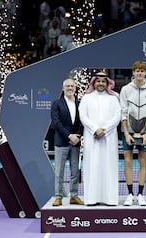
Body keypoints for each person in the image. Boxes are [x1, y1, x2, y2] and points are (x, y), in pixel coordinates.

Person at [79, 71, 121, 206]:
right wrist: (95, 129)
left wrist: (105, 130)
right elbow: (83, 116)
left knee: (109, 167)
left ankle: (110, 199)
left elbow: (117, 116)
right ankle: (91, 199)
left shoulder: (114, 98)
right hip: (92, 139)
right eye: (98, 81)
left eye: (104, 81)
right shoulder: (86, 98)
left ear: (108, 83)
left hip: (109, 139)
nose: (101, 84)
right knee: (92, 166)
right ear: (94, 83)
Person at [120, 61, 146, 206]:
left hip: (144, 134)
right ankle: (130, 194)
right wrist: (127, 134)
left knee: (143, 163)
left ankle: (140, 194)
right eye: (137, 71)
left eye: (142, 71)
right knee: (128, 163)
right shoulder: (125, 90)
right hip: (128, 133)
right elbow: (123, 113)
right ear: (133, 73)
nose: (140, 73)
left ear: (145, 73)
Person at [51, 78, 84, 206]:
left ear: (75, 88)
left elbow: (83, 122)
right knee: (59, 172)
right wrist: (69, 135)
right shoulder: (57, 104)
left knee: (75, 171)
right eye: (67, 86)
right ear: (63, 88)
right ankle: (58, 196)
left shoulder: (80, 104)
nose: (70, 88)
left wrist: (78, 136)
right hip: (61, 142)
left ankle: (74, 196)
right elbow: (56, 123)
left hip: (75, 143)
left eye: (72, 86)